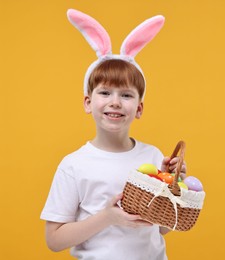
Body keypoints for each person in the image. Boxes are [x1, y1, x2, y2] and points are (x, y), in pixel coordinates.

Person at [40, 9, 185, 259]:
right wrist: (107, 217)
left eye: (126, 95)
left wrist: (174, 187)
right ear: (88, 102)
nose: (115, 102)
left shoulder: (152, 155)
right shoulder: (74, 165)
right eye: (105, 93)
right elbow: (53, 240)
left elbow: (161, 228)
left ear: (138, 108)